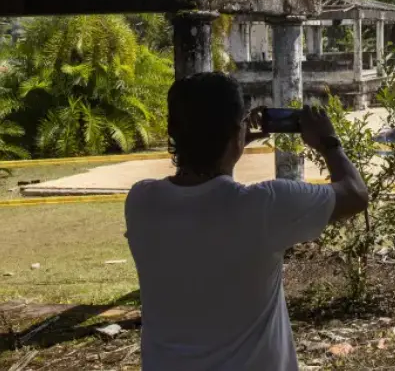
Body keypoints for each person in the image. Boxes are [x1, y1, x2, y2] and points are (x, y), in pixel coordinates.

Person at [125, 72, 368, 371]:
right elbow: (355, 194)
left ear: (173, 131)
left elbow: (210, 196)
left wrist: (230, 142)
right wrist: (329, 143)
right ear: (235, 133)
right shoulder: (266, 206)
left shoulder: (141, 202)